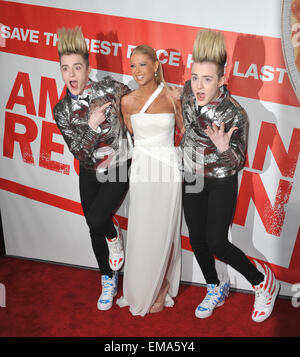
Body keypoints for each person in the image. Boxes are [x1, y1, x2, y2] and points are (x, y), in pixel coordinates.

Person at [180, 29, 280, 322]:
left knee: (216, 242)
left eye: (207, 79)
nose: (198, 85)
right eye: (195, 77)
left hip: (221, 178)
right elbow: (187, 120)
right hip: (192, 173)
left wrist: (224, 148)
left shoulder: (236, 114)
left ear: (223, 79)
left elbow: (241, 162)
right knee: (196, 239)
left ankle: (262, 282)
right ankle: (215, 286)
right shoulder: (187, 91)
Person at [53, 27, 131, 311]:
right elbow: (78, 151)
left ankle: (113, 234)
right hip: (88, 169)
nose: (71, 75)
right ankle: (107, 279)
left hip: (119, 165)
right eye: (65, 68)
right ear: (60, 71)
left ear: (88, 68)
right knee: (93, 226)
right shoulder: (60, 109)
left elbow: (138, 106)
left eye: (77, 67)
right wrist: (90, 125)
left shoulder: (109, 88)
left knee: (99, 218)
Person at [116, 45, 184, 316]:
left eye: (142, 64)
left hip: (168, 169)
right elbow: (134, 136)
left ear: (155, 65)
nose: (137, 71)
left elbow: (184, 130)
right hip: (143, 170)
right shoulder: (127, 101)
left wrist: (180, 103)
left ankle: (162, 284)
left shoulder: (171, 95)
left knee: (165, 228)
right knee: (144, 229)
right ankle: (142, 283)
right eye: (133, 66)